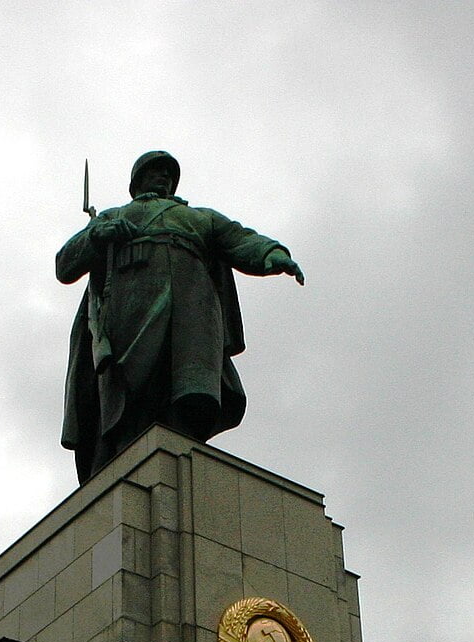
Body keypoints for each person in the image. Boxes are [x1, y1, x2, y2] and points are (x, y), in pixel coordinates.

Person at [58, 151, 304, 482]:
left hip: (190, 310)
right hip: (131, 312)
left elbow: (240, 238)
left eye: (168, 173)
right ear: (137, 182)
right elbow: (65, 264)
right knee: (129, 395)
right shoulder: (111, 216)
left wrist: (272, 254)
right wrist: (96, 234)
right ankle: (123, 456)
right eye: (154, 171)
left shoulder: (201, 218)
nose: (163, 177)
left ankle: (176, 448)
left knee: (182, 391)